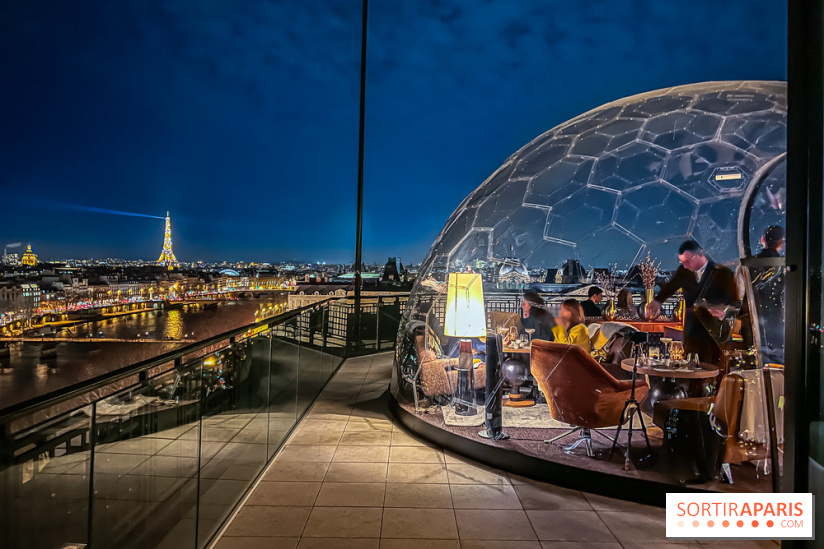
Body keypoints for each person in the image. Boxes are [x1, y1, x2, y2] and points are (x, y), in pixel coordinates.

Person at [646, 240, 739, 364]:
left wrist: (724, 311)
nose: (685, 266)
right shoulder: (683, 272)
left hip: (714, 331)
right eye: (682, 262)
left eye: (688, 261)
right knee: (691, 366)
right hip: (691, 331)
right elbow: (670, 287)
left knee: (713, 367)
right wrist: (657, 301)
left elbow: (734, 303)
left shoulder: (723, 273)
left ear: (700, 254)